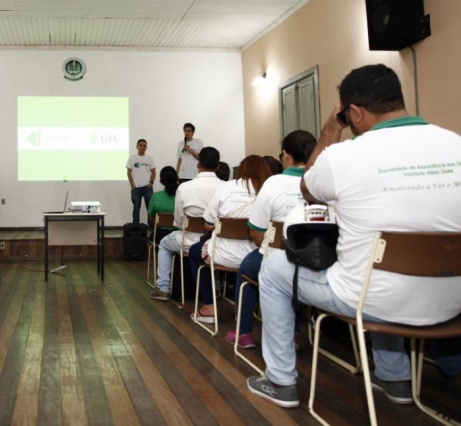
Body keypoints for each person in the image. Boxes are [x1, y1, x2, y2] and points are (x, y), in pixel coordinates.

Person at [247, 64, 461, 409]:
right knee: (373, 271)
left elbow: (308, 189)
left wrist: (331, 129)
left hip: (377, 301)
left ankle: (280, 381)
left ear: (355, 113)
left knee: (273, 271)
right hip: (452, 303)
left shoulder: (343, 155)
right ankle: (395, 379)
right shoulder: (455, 142)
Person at [226, 130, 315, 349]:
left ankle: (244, 332)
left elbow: (256, 234)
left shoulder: (274, 184)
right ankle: (293, 333)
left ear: (286, 155)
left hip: (279, 259)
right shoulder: (324, 182)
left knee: (247, 267)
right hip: (319, 262)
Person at [189, 155, 271, 323]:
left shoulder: (226, 187)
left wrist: (226, 226)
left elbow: (208, 224)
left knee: (193, 252)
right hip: (256, 258)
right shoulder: (268, 190)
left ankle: (209, 307)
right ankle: (248, 305)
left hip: (221, 255)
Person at [149, 147, 223, 301]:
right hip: (217, 243)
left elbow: (178, 222)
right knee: (214, 252)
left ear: (198, 164)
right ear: (218, 166)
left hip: (188, 240)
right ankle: (215, 287)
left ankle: (163, 288)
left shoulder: (184, 188)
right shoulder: (225, 187)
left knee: (163, 244)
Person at [126, 139, 156, 224]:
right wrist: (132, 185)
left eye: (144, 145)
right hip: (136, 188)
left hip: (147, 187)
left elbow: (153, 173)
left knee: (150, 208)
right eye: (140, 145)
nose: (142, 147)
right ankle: (136, 227)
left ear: (146, 147)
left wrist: (151, 182)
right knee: (136, 208)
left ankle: (151, 228)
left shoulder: (150, 159)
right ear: (137, 146)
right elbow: (128, 173)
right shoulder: (132, 158)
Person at [147, 166, 180, 244]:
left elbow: (151, 218)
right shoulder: (184, 195)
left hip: (161, 235)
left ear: (161, 181)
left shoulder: (156, 196)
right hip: (180, 234)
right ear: (177, 178)